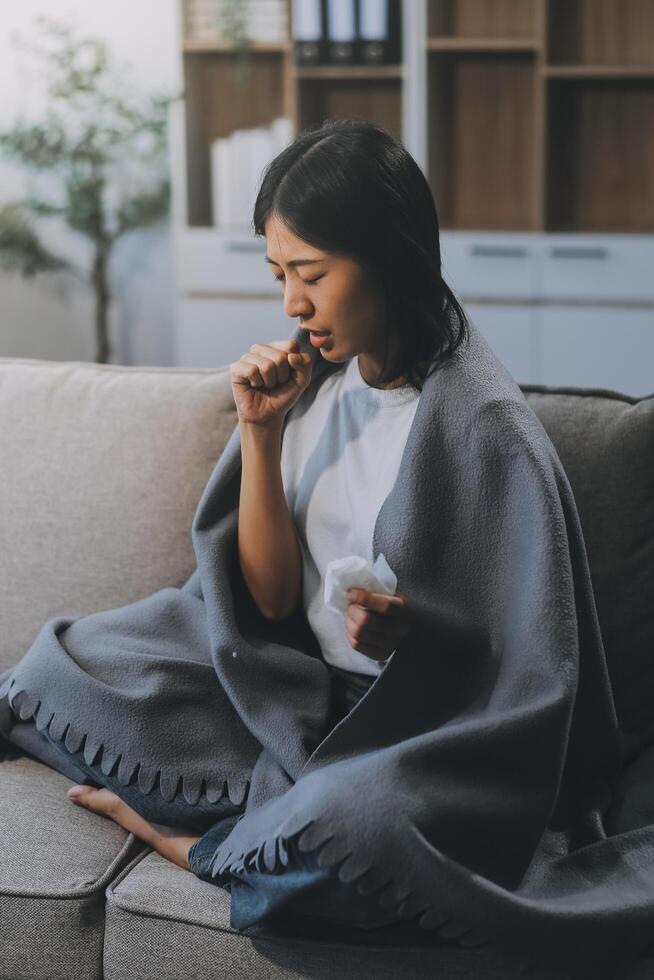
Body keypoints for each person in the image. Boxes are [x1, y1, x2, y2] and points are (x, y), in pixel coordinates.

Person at [2, 118, 650, 977]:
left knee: (353, 838)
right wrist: (261, 435)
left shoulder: (487, 429)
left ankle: (186, 841)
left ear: (391, 258)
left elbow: (535, 675)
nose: (291, 304)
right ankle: (268, 810)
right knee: (60, 672)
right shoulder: (311, 385)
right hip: (291, 694)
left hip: (411, 737)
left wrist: (414, 641)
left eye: (311, 274)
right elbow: (265, 609)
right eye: (279, 276)